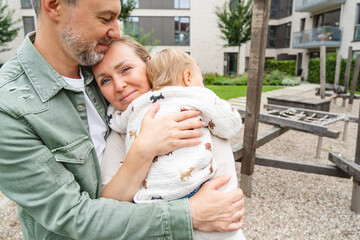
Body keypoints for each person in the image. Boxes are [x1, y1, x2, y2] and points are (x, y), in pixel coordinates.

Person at [0, 0, 245, 239]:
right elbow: (72, 215)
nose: (116, 31)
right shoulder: (10, 107)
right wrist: (190, 213)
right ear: (54, 6)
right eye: (105, 18)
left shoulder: (98, 61)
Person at [93, 37, 246, 240]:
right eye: (105, 80)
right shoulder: (118, 137)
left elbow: (226, 203)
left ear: (149, 64)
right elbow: (109, 213)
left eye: (125, 69)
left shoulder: (195, 107)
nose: (119, 85)